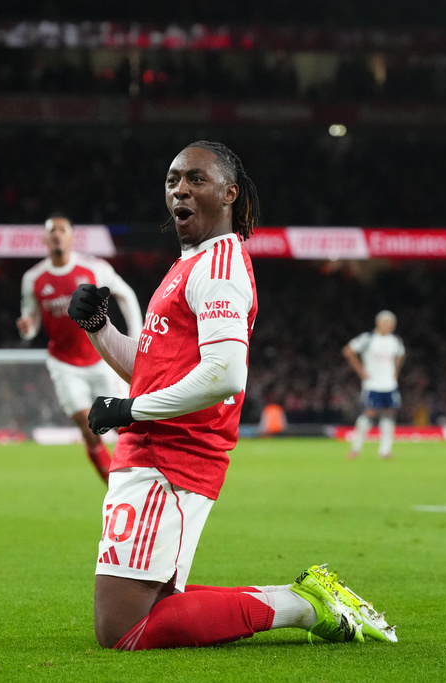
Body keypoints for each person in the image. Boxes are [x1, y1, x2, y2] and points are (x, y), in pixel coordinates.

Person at [65, 141, 396, 650]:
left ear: (229, 194)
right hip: (152, 451)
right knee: (137, 611)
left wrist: (132, 409)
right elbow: (151, 369)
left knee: (124, 629)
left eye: (196, 178)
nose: (180, 188)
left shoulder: (218, 267)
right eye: (173, 178)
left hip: (170, 457)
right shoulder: (191, 264)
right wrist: (97, 327)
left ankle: (301, 605)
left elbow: (225, 376)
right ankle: (302, 600)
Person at [17, 214, 142, 483]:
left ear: (72, 237)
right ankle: (114, 486)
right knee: (89, 427)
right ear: (44, 239)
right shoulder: (33, 278)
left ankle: (143, 477)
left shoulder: (93, 268)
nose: (57, 235)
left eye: (62, 230)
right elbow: (32, 324)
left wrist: (137, 335)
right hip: (64, 364)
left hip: (102, 360)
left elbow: (125, 294)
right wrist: (26, 328)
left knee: (125, 426)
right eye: (52, 231)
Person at [343, 311, 406, 459]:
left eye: (392, 323)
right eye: (388, 322)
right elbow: (348, 351)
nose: (391, 325)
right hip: (373, 384)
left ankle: (385, 450)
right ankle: (356, 448)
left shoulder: (395, 340)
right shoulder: (368, 338)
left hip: (390, 384)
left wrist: (395, 372)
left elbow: (401, 354)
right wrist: (361, 371)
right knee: (369, 413)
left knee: (389, 414)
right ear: (379, 323)